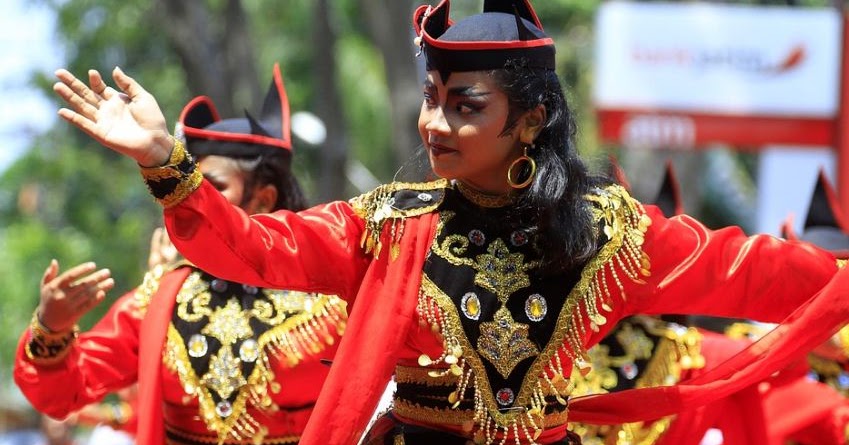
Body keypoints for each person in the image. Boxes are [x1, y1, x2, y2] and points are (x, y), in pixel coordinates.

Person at [44, 0, 849, 443]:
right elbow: (253, 247)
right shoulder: (390, 224)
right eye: (432, 100)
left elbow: (755, 273)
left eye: (465, 107)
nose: (435, 124)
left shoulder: (609, 231)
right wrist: (163, 162)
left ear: (530, 120)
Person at [15, 64, 348, 445]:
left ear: (264, 198)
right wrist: (51, 330)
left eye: (213, 187)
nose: (191, 198)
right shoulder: (162, 299)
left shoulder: (331, 298)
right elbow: (62, 395)